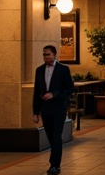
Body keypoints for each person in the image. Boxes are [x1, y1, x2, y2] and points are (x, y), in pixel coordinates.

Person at [31, 43, 76, 175]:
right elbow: (36, 91)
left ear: (55, 55)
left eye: (48, 54)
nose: (46, 57)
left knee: (56, 136)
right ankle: (54, 161)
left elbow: (70, 88)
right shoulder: (39, 70)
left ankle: (54, 165)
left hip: (59, 108)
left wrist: (54, 94)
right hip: (46, 109)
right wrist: (35, 112)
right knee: (51, 136)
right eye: (44, 55)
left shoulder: (63, 69)